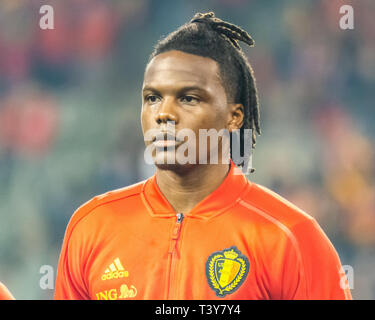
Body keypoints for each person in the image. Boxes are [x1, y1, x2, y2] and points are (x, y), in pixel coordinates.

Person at [54, 12, 352, 300]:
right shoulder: (92, 226)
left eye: (188, 98)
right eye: (152, 98)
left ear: (234, 117)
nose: (164, 114)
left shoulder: (291, 237)